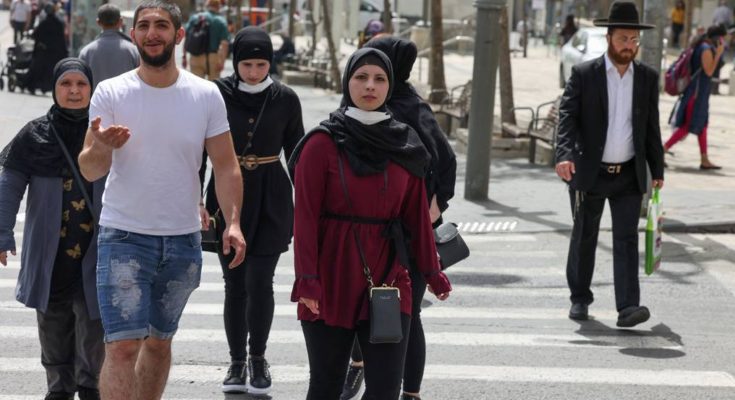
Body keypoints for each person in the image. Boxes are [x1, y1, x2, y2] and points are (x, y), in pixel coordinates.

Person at [77, 2, 246, 399]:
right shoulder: (112, 91)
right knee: (121, 346)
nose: (153, 33)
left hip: (182, 240)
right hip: (123, 236)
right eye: (144, 26)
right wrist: (101, 146)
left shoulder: (205, 95)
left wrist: (234, 222)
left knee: (158, 342)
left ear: (179, 35)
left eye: (162, 26)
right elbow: (89, 169)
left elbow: (226, 165)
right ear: (132, 34)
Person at [288, 47, 452, 400]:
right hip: (330, 277)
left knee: (385, 390)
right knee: (326, 386)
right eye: (361, 77)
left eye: (379, 79)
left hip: (389, 278)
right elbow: (304, 219)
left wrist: (432, 270)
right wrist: (307, 279)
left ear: (390, 87)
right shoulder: (321, 143)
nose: (369, 86)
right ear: (347, 83)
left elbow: (416, 218)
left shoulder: (405, 144)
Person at [339, 36, 457, 400]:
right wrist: (436, 206)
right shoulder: (409, 105)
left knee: (399, 313)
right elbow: (447, 160)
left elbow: (444, 162)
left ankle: (401, 389)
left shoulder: (399, 109)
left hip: (402, 234)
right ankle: (401, 389)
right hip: (391, 229)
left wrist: (430, 208)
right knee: (392, 311)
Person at [203, 26, 304, 395]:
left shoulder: (286, 98)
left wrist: (308, 200)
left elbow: (297, 154)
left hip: (272, 195)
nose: (254, 71)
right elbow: (199, 149)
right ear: (236, 62)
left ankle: (258, 358)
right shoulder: (215, 93)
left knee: (261, 283)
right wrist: (196, 199)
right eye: (247, 64)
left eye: (261, 64)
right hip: (227, 194)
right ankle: (235, 361)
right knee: (234, 284)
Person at [555, 1, 664, 328]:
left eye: (634, 40)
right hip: (591, 171)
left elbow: (651, 127)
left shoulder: (646, 78)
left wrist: (657, 171)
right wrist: (563, 155)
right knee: (584, 235)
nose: (629, 46)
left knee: (626, 240)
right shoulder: (585, 74)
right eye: (623, 39)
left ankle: (628, 306)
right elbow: (567, 117)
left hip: (628, 173)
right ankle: (579, 298)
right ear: (609, 37)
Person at [0, 58, 103, 400]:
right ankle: (59, 388)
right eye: (66, 84)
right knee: (53, 321)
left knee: (94, 322)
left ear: (92, 88)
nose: (74, 91)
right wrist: (2, 232)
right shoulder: (34, 134)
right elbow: (10, 185)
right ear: (55, 88)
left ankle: (90, 386)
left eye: (81, 85)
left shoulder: (106, 132)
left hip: (98, 249)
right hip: (51, 250)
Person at [664, 24, 727, 170]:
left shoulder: (703, 46)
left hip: (700, 95)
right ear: (718, 39)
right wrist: (718, 54)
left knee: (703, 125)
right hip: (696, 95)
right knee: (688, 125)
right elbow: (710, 71)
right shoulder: (705, 49)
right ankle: (663, 149)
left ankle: (704, 159)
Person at [79, 3, 140, 90]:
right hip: (126, 102)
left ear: (98, 22)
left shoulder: (86, 52)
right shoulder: (133, 50)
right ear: (121, 21)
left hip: (96, 102)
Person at [23, 2, 68, 95]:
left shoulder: (44, 23)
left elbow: (36, 35)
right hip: (55, 53)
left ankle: (32, 86)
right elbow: (62, 39)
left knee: (37, 69)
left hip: (43, 51)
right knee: (49, 71)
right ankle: (45, 87)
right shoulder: (59, 23)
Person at [182, 0, 230, 80]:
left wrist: (184, 57)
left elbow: (187, 37)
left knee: (197, 87)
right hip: (213, 58)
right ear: (218, 7)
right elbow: (224, 44)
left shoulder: (195, 18)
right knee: (213, 87)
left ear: (207, 5)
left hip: (195, 56)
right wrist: (222, 61)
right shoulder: (221, 21)